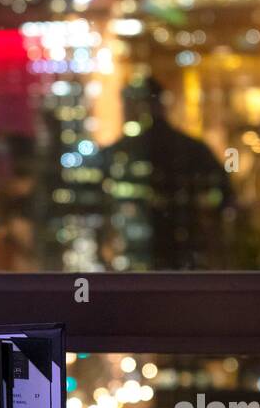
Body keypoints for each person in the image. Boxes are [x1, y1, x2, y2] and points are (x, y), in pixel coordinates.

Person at [83, 76, 234, 269]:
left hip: (166, 251)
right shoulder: (191, 149)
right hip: (177, 251)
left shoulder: (124, 152)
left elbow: (224, 194)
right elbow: (225, 194)